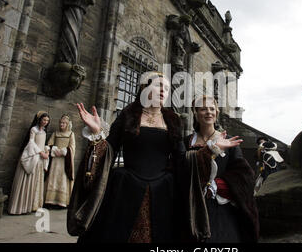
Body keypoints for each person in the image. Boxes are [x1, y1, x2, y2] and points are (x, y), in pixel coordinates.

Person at [67, 72, 241, 243]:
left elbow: (182, 159)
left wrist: (211, 149)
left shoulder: (172, 119)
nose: (163, 90)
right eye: (158, 85)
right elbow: (109, 150)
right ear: (144, 87)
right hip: (125, 188)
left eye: (166, 87)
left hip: (162, 190)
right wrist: (97, 133)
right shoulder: (129, 114)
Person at [181, 95, 259, 242]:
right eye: (203, 109)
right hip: (191, 207)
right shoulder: (186, 142)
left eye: (212, 109)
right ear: (195, 113)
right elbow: (179, 169)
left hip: (220, 210)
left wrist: (217, 185)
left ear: (216, 113)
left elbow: (244, 175)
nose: (209, 112)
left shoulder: (228, 140)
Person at [7, 111, 50, 215]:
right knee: (27, 181)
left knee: (35, 182)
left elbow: (42, 143)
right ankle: (21, 207)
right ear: (39, 119)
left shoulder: (44, 132)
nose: (45, 122)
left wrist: (46, 151)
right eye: (44, 120)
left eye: (47, 120)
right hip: (33, 156)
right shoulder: (33, 129)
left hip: (39, 158)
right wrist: (40, 152)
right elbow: (31, 142)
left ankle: (31, 205)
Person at [44, 114, 76, 208]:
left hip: (65, 161)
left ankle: (61, 202)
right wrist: (54, 149)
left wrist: (63, 152)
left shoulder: (71, 134)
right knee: (52, 179)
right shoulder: (55, 133)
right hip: (55, 161)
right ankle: (50, 201)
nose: (61, 125)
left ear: (67, 124)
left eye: (64, 123)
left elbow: (72, 147)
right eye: (60, 123)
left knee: (63, 179)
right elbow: (49, 144)